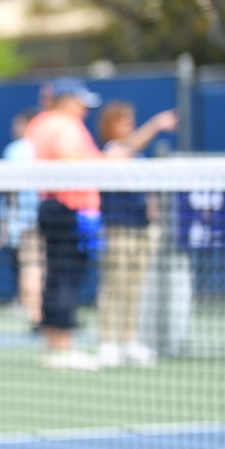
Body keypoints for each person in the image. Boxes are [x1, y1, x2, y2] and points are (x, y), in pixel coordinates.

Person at [25, 77, 147, 370]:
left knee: (57, 276)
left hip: (56, 206)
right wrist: (109, 161)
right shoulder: (64, 125)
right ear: (67, 101)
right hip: (69, 208)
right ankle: (63, 347)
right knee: (66, 277)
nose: (85, 110)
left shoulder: (40, 123)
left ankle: (56, 344)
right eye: (81, 103)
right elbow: (73, 160)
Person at [95, 100, 177, 367]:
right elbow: (123, 154)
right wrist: (155, 125)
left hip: (142, 229)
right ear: (111, 125)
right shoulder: (111, 151)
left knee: (134, 288)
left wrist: (153, 219)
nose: (129, 125)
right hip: (117, 230)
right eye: (124, 121)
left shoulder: (137, 155)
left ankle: (129, 340)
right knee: (114, 286)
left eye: (132, 120)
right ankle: (107, 342)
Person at [0, 109, 43, 328]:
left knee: (30, 267)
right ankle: (38, 312)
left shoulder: (16, 149)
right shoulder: (44, 146)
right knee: (40, 268)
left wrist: (4, 223)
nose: (14, 128)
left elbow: (10, 187)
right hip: (48, 218)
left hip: (25, 220)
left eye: (18, 124)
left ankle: (34, 314)